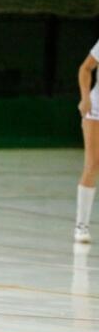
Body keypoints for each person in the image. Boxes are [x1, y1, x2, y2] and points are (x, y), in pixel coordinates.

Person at [75, 39, 99, 243]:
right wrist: (85, 97)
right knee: (92, 164)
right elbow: (85, 68)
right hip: (95, 111)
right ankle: (81, 226)